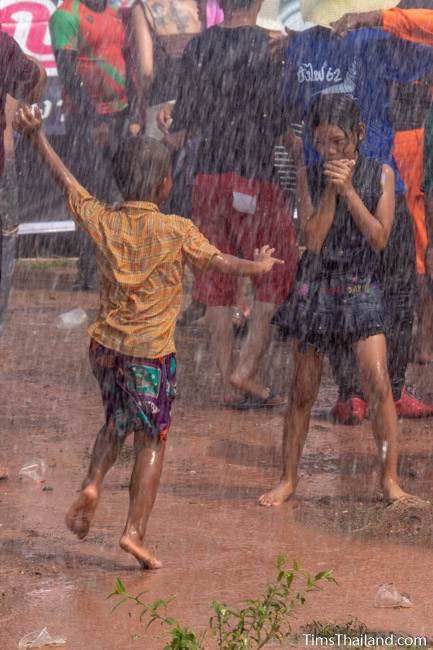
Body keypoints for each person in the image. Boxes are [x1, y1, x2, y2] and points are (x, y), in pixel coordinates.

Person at [14, 104, 284, 568]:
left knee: (115, 421)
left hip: (105, 348)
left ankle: (94, 481)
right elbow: (221, 262)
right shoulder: (176, 230)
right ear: (166, 185)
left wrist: (38, 137)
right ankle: (135, 532)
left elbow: (67, 180)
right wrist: (258, 267)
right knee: (152, 440)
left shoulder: (104, 220)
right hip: (150, 355)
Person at [276, 11, 433, 423]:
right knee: (395, 292)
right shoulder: (371, 39)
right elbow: (420, 61)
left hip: (323, 179)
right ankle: (391, 389)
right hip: (376, 181)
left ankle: (351, 393)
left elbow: (294, 107)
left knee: (335, 293)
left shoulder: (299, 44)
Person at [260, 94, 410, 507]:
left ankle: (390, 480)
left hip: (360, 285)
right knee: (303, 390)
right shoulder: (309, 175)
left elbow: (379, 237)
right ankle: (289, 479)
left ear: (360, 135)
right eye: (321, 143)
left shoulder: (380, 174)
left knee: (378, 384)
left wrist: (348, 191)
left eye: (339, 143)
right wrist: (330, 190)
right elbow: (311, 239)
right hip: (316, 286)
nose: (329, 152)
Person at [168, 0, 298, 407]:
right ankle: (245, 370)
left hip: (208, 176)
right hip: (257, 175)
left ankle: (227, 381)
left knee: (215, 276)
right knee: (276, 268)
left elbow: (183, 119)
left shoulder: (199, 47)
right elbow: (281, 124)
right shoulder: (273, 48)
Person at [332, 2, 433, 364]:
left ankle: (366, 374)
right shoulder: (388, 23)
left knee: (411, 253)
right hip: (403, 144)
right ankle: (411, 352)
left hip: (384, 148)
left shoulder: (370, 25)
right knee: (414, 254)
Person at [49, 0, 130, 290]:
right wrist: (94, 120)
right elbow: (68, 73)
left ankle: (117, 264)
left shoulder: (115, 11)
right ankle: (90, 268)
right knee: (89, 193)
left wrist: (132, 111)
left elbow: (125, 56)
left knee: (121, 193)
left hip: (121, 113)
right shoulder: (65, 15)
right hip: (86, 120)